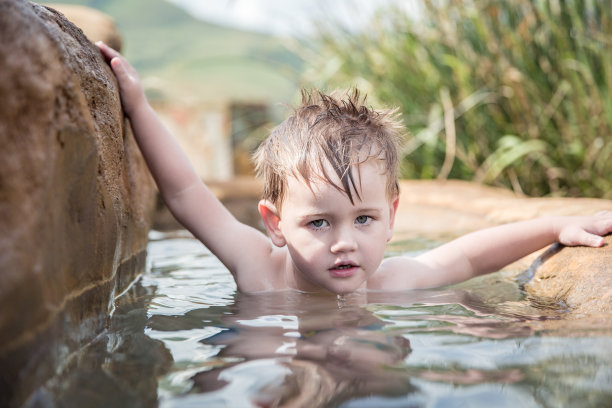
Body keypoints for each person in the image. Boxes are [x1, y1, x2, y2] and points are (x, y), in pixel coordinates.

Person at [96, 42, 612, 296]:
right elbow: (186, 193)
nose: (345, 242)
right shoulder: (257, 268)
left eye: (363, 219)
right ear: (275, 224)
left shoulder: (387, 282)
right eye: (319, 222)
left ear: (391, 216)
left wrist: (553, 227)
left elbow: (470, 257)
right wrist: (138, 106)